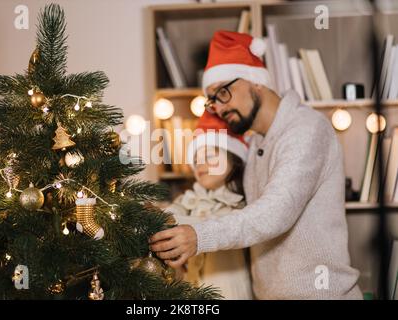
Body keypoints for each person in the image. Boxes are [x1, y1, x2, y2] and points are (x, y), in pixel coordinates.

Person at [150, 30, 362, 299]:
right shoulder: (255, 146)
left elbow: (275, 212)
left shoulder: (305, 129)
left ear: (256, 81)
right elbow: (224, 209)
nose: (219, 108)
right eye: (212, 100)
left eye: (223, 92)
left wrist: (199, 237)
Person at [166, 111, 252, 299]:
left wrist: (177, 221)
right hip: (194, 289)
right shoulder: (190, 198)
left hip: (229, 289)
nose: (200, 165)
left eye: (210, 157)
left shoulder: (239, 203)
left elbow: (219, 225)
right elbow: (171, 213)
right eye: (196, 160)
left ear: (234, 160)